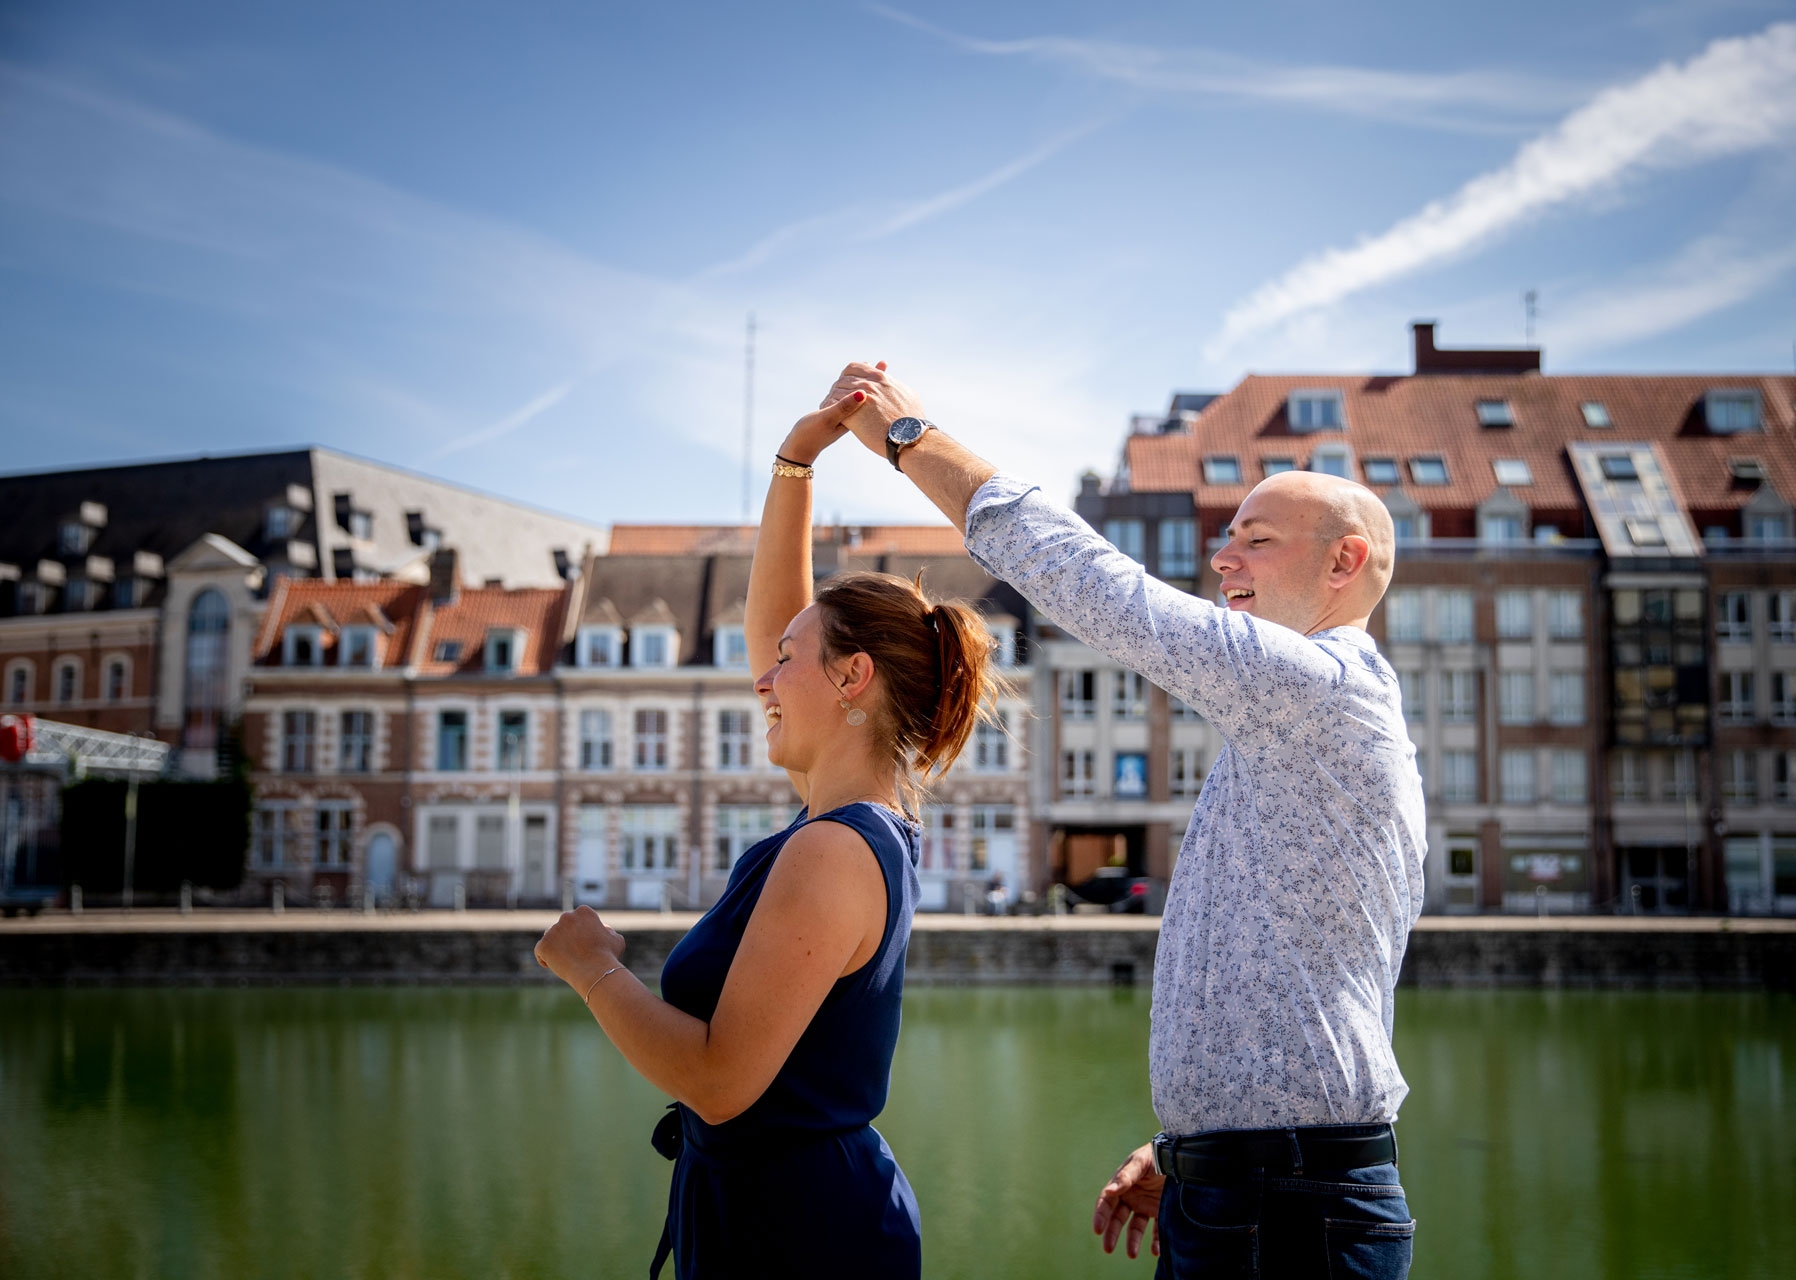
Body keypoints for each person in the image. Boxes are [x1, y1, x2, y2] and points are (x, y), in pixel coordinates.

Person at [821, 362, 1426, 1279]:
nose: (1223, 559)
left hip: (1289, 1201)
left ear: (1344, 562)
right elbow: (1302, 972)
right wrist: (1188, 1147)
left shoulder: (1323, 689)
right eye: (1227, 538)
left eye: (1255, 540)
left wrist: (911, 441)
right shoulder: (1290, 726)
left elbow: (1102, 593)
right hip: (1250, 1183)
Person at [534, 388, 1002, 1279]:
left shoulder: (831, 850)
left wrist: (592, 966)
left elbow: (718, 1081)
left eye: (788, 662)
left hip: (799, 1235)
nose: (764, 680)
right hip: (789, 1211)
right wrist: (797, 463)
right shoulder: (854, 819)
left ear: (853, 677)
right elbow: (773, 627)